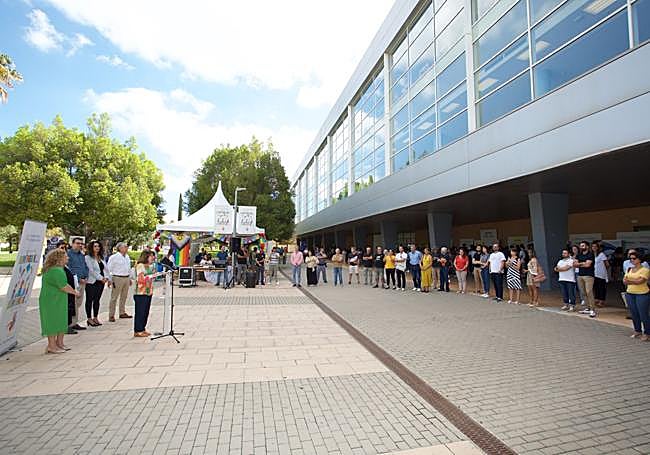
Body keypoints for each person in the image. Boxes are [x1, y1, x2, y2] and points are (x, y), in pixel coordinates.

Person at [39, 249, 80, 353]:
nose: (68, 258)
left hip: (59, 299)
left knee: (61, 320)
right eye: (65, 256)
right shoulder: (55, 270)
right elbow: (63, 286)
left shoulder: (58, 269)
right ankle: (51, 346)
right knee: (52, 321)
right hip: (51, 300)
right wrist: (75, 292)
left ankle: (59, 343)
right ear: (59, 258)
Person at [623, 252, 650, 341]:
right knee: (634, 313)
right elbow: (624, 280)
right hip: (630, 293)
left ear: (639, 259)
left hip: (642, 294)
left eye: (634, 258)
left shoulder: (645, 270)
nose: (632, 260)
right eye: (630, 258)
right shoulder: (629, 269)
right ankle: (637, 330)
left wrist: (630, 281)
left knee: (643, 314)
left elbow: (640, 281)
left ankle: (647, 333)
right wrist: (633, 281)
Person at [133, 251, 160, 337]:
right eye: (151, 256)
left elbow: (150, 276)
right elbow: (141, 279)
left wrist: (156, 274)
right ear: (146, 257)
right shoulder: (140, 266)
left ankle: (142, 328)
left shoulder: (150, 266)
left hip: (148, 292)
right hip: (140, 292)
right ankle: (138, 330)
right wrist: (152, 275)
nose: (153, 258)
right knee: (140, 312)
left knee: (145, 311)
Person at [84, 240, 110, 327]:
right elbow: (91, 271)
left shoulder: (101, 257)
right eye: (95, 246)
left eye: (98, 246)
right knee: (89, 300)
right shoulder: (88, 257)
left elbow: (105, 269)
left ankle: (95, 317)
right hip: (92, 282)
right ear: (91, 247)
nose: (97, 248)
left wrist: (107, 278)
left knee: (97, 300)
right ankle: (89, 318)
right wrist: (101, 278)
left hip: (101, 282)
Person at [106, 242, 133, 323]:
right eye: (125, 247)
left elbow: (128, 268)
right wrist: (109, 279)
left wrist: (130, 278)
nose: (126, 248)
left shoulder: (127, 257)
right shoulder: (114, 257)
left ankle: (122, 312)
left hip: (126, 277)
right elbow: (108, 269)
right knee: (114, 297)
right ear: (120, 248)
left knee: (124, 296)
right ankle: (111, 315)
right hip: (117, 277)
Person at [66, 236, 88, 331]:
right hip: (74, 282)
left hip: (83, 282)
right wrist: (78, 279)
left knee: (78, 303)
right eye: (77, 243)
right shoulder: (68, 255)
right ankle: (70, 324)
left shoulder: (81, 255)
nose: (79, 245)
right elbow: (68, 268)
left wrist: (86, 276)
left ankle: (74, 322)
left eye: (81, 244)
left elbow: (85, 266)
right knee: (73, 303)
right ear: (72, 244)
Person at [574, 241, 597, 318]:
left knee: (589, 292)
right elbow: (575, 264)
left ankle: (592, 310)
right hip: (580, 275)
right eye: (580, 246)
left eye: (583, 246)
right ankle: (587, 308)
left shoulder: (590, 254)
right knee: (583, 292)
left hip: (589, 276)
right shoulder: (579, 255)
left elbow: (588, 265)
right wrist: (583, 263)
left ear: (587, 246)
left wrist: (580, 264)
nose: (581, 247)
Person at [592, 242, 609, 308]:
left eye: (595, 246)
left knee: (601, 288)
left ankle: (601, 301)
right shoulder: (591, 255)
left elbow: (607, 264)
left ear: (598, 247)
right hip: (594, 274)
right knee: (596, 287)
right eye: (592, 246)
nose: (594, 248)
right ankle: (597, 299)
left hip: (601, 274)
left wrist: (603, 270)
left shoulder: (601, 254)